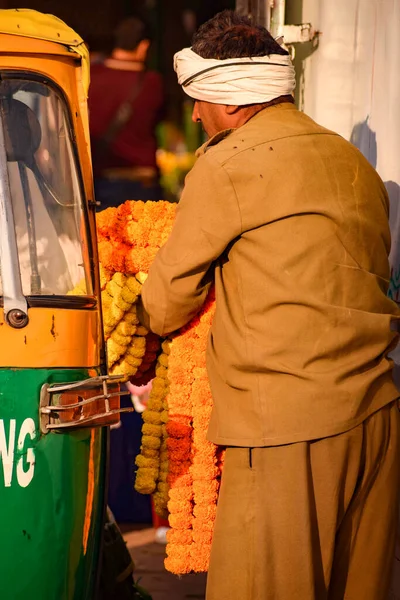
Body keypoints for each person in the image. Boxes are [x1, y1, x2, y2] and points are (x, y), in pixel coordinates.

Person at [137, 10, 400, 600]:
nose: (197, 115)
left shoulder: (227, 164)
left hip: (287, 432)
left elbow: (167, 301)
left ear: (230, 101)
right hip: (378, 421)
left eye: (199, 101)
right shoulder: (353, 164)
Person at [88, 16, 164, 208]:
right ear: (144, 46)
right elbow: (160, 118)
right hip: (141, 182)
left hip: (101, 180)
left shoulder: (90, 75)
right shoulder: (151, 82)